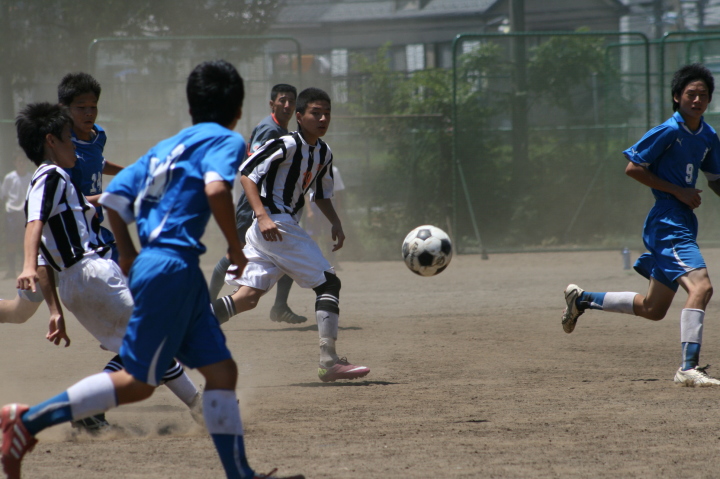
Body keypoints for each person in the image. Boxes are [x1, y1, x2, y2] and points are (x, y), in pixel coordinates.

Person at [0, 61, 304, 479]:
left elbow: (115, 200)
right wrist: (236, 249)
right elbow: (217, 188)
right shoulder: (227, 140)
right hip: (168, 267)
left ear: (191, 108)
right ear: (237, 110)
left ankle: (240, 473)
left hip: (165, 268)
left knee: (220, 371)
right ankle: (27, 422)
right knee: (140, 380)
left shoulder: (167, 147)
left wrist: (127, 255)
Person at [562, 63, 720, 387]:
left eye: (703, 95)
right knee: (701, 288)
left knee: (653, 308)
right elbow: (633, 167)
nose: (697, 100)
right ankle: (688, 368)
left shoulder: (708, 136)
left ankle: (582, 299)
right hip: (667, 220)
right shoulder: (669, 130)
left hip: (683, 221)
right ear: (676, 97)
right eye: (691, 94)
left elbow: (716, 179)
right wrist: (677, 191)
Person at [213, 87, 370, 383]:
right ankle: (329, 361)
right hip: (275, 223)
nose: (322, 119)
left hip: (276, 228)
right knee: (328, 282)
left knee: (247, 298)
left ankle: (181, 332)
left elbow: (320, 194)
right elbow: (247, 174)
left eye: (327, 113)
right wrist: (262, 216)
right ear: (299, 116)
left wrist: (335, 222)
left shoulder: (323, 152)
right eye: (315, 113)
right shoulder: (285, 143)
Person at [209, 83, 308, 325]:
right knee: (235, 253)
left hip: (272, 208)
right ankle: (206, 303)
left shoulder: (283, 131)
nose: (287, 105)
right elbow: (252, 170)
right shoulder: (269, 130)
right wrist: (260, 210)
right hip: (254, 208)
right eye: (282, 100)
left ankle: (280, 306)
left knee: (288, 251)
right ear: (272, 103)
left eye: (291, 101)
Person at [0, 152, 32, 279]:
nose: (21, 163)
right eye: (19, 161)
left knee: (26, 241)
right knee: (11, 242)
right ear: (15, 163)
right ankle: (11, 270)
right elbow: (4, 195)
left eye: (23, 161)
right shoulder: (10, 178)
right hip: (12, 213)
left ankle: (24, 268)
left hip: (25, 213)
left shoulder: (30, 177)